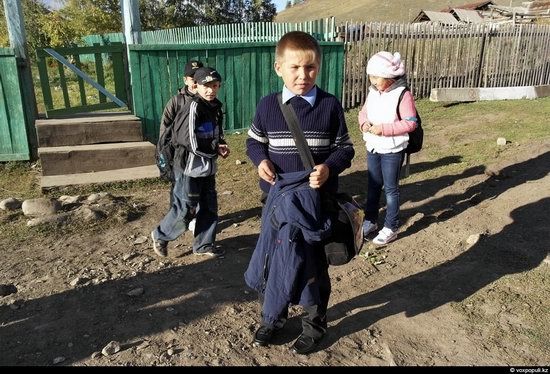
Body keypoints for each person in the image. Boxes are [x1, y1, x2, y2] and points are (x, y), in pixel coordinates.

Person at [244, 31, 355, 355]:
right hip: (276, 203)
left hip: (315, 205)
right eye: (294, 68)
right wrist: (260, 159)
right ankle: (272, 319)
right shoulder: (268, 106)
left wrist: (329, 168)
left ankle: (314, 325)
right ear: (279, 67)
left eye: (310, 68)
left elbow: (344, 148)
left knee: (313, 268)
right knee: (273, 260)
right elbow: (254, 142)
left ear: (318, 68)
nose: (302, 75)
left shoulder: (330, 105)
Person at [151, 67, 230, 258]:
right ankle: (160, 235)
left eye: (214, 86)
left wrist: (221, 143)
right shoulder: (193, 107)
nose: (211, 90)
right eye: (206, 86)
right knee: (185, 208)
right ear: (197, 86)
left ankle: (203, 245)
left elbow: (216, 134)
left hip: (208, 167)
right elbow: (189, 142)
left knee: (209, 207)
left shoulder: (215, 107)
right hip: (188, 168)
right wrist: (214, 148)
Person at [358, 51, 419, 245]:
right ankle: (370, 220)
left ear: (389, 76)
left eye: (376, 77)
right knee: (373, 185)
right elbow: (364, 112)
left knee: (391, 189)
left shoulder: (403, 94)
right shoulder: (374, 92)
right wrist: (364, 123)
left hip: (392, 149)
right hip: (374, 146)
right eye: (370, 77)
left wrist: (383, 129)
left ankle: (391, 226)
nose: (372, 81)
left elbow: (410, 123)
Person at [159, 59, 204, 206]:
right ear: (185, 80)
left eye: (199, 77)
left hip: (199, 152)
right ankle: (176, 214)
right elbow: (164, 130)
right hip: (179, 153)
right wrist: (166, 153)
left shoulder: (207, 100)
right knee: (178, 185)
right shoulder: (176, 102)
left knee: (199, 185)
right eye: (192, 78)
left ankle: (196, 215)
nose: (196, 81)